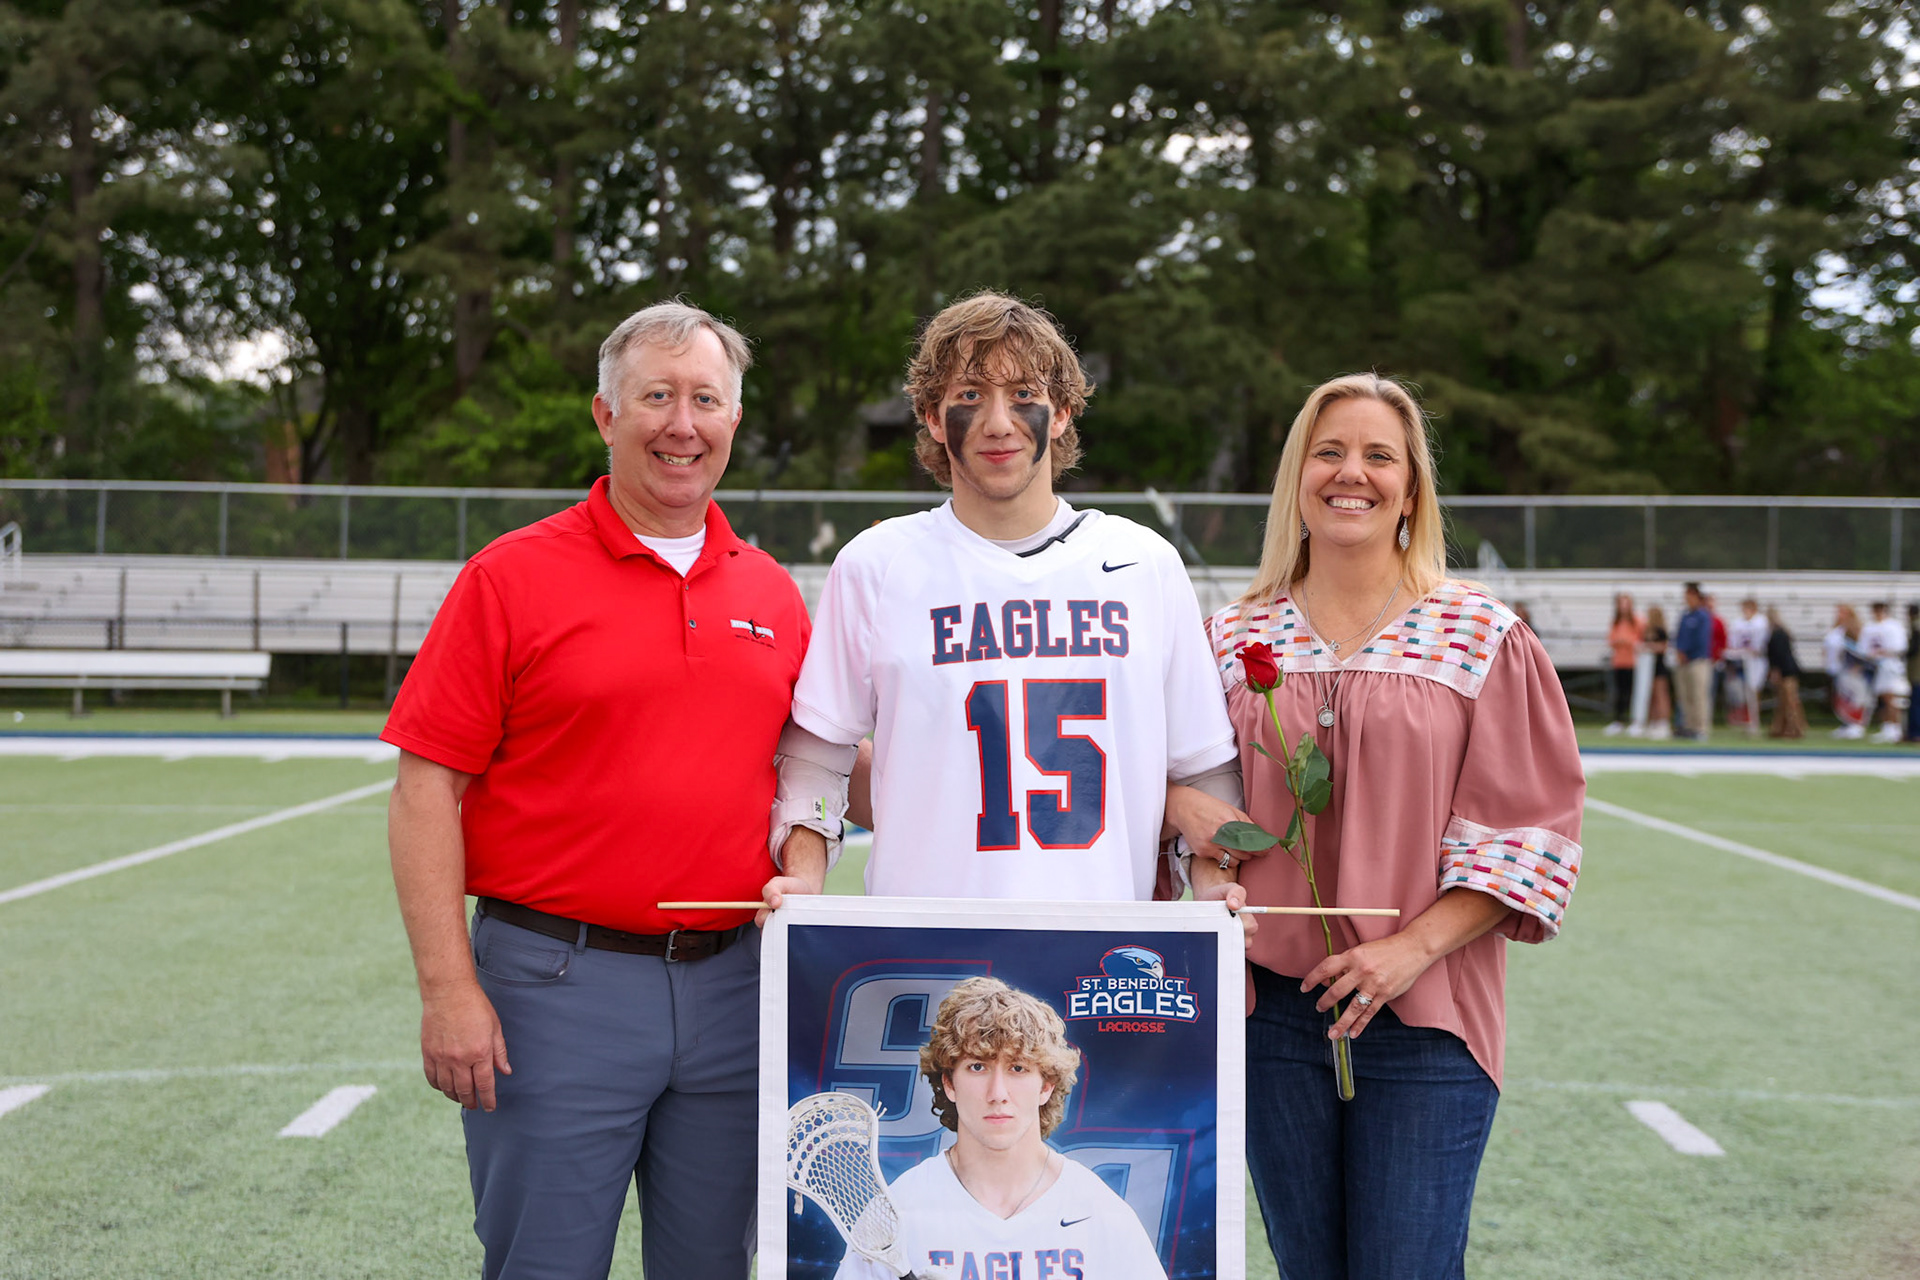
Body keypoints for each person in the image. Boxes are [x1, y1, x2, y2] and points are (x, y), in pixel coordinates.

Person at [383, 302, 822, 1280]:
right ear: (605, 414)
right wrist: (448, 987)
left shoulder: (772, 591)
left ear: (734, 422)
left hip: (735, 984)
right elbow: (424, 790)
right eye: (656, 396)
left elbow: (817, 766)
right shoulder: (510, 577)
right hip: (556, 983)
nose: (682, 424)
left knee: (712, 1264)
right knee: (544, 1263)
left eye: (705, 398)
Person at [1204, 373, 1584, 1280]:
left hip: (1426, 1009)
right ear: (1298, 475)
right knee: (1308, 1266)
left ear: (1412, 489)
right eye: (1329, 451)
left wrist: (1406, 952)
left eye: (1381, 456)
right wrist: (1202, 863)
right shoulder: (1228, 637)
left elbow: (1526, 836)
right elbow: (1190, 804)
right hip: (1269, 1013)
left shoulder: (1478, 632)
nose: (1353, 473)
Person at [773, 292, 1248, 913]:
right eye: (969, 395)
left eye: (1023, 393)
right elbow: (817, 754)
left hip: (1099, 957)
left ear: (1062, 413)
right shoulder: (878, 564)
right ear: (932, 417)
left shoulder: (1143, 564)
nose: (999, 422)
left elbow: (1203, 770)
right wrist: (804, 883)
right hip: (924, 949)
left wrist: (1217, 897)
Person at [832, 977, 1166, 1280]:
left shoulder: (1098, 1211)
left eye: (1018, 1068)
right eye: (978, 1067)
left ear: (1046, 1085)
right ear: (949, 1083)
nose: (998, 1094)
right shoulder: (898, 1212)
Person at [1861, 601, 1911, 744]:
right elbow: (1864, 647)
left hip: (1890, 665)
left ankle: (1894, 728)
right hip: (1875, 666)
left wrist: (1883, 652)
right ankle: (1887, 726)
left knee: (1891, 697)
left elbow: (1899, 647)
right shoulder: (1869, 627)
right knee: (1882, 697)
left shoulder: (1893, 626)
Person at [1672, 583, 1713, 740]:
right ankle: (1689, 726)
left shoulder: (1702, 616)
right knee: (1685, 695)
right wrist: (1679, 652)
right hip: (1683, 662)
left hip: (1697, 661)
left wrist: (1688, 653)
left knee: (1699, 695)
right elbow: (1679, 637)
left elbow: (1701, 640)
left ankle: (1701, 728)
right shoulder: (1685, 615)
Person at [1725, 598, 1770, 737]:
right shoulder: (1738, 622)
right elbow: (1733, 641)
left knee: (1754, 690)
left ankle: (1754, 721)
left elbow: (1761, 643)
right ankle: (1747, 719)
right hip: (1742, 661)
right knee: (1743, 691)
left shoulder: (1761, 621)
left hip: (1756, 661)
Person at [1825, 605, 1871, 739]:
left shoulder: (1854, 628)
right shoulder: (1837, 630)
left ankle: (1858, 724)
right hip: (1840, 668)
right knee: (1844, 698)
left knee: (1857, 698)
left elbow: (1860, 650)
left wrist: (1858, 666)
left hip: (1852, 669)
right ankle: (1847, 723)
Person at [1764, 606, 1806, 739]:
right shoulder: (1781, 632)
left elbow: (1778, 655)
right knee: (1785, 701)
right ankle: (1781, 728)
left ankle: (1794, 728)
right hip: (1788, 670)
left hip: (1785, 671)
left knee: (1789, 701)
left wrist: (1775, 670)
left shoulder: (1777, 634)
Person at [1604, 593, 1641, 734]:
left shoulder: (1636, 621)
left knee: (1631, 692)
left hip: (1632, 662)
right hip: (1619, 662)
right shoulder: (1616, 622)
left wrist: (1625, 642)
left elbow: (1637, 641)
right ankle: (1618, 720)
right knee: (1619, 692)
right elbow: (1612, 640)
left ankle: (1634, 720)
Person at [1641, 606, 1673, 739]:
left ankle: (1663, 722)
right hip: (1648, 667)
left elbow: (1664, 647)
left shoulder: (1660, 631)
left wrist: (1651, 647)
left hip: (1659, 666)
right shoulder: (1647, 630)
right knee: (1652, 696)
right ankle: (1654, 721)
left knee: (1661, 695)